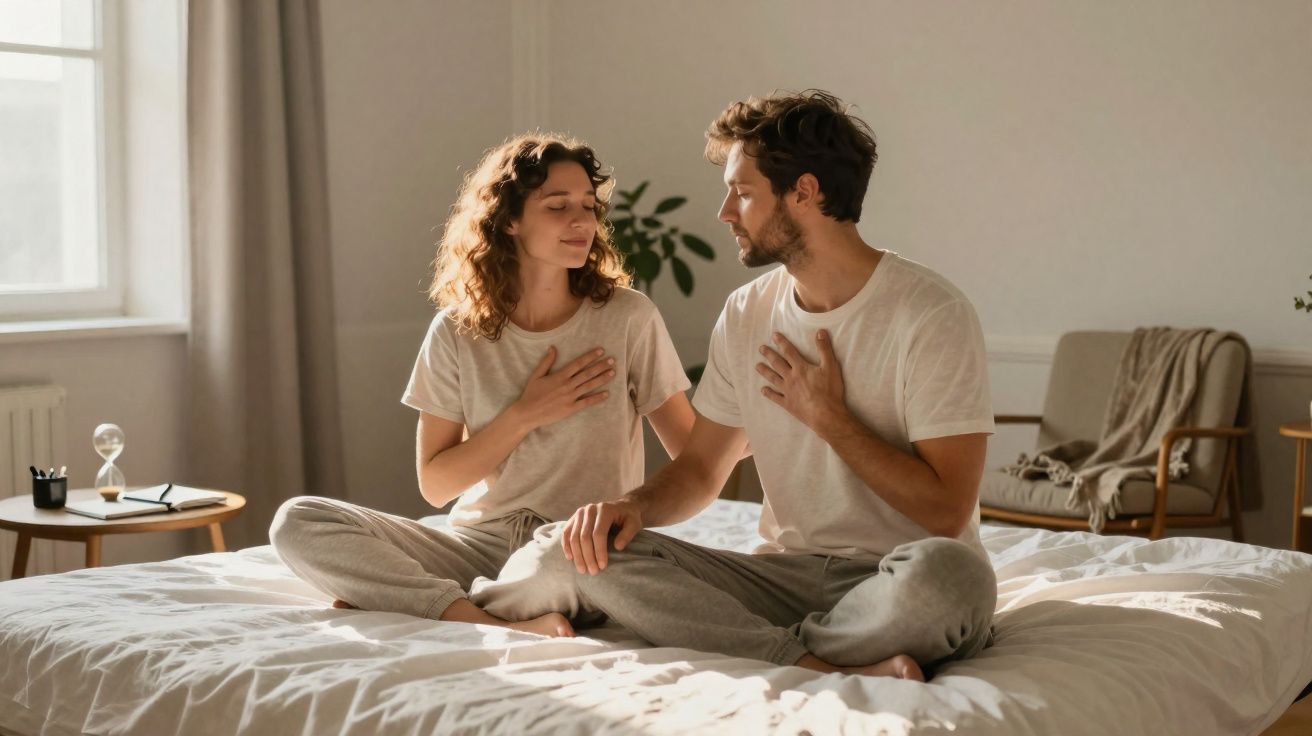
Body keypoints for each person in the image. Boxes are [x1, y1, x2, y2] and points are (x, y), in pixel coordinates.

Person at [470, 91, 998, 680]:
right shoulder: (748, 312)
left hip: (898, 574)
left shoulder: (929, 313)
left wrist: (829, 418)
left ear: (805, 192)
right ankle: (812, 657)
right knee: (567, 547)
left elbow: (947, 511)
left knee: (953, 581)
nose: (725, 212)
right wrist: (631, 508)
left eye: (743, 193)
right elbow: (700, 470)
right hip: (782, 577)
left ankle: (771, 644)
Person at [269, 133, 694, 636]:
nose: (582, 221)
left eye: (588, 205)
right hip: (479, 546)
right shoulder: (455, 330)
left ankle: (421, 600)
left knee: (567, 568)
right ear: (510, 220)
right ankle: (479, 615)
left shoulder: (628, 318)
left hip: (572, 548)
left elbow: (695, 455)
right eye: (558, 206)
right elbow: (437, 484)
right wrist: (525, 414)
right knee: (297, 521)